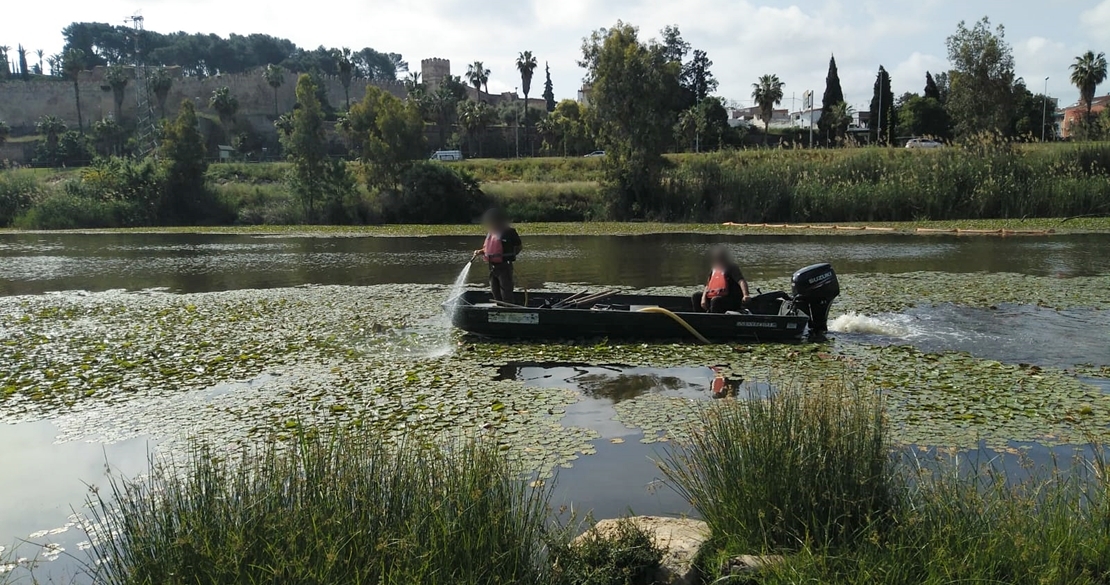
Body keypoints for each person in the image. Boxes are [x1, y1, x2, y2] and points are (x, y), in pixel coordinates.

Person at [473, 208, 522, 303]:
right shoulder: (491, 232)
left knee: (506, 293)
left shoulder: (509, 232)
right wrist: (480, 251)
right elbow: (488, 249)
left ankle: (509, 312)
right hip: (492, 267)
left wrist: (509, 257)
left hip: (504, 266)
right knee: (495, 292)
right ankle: (499, 311)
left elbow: (519, 247)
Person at [691, 246, 750, 313]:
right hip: (716, 296)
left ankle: (714, 320)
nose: (719, 259)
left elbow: (741, 281)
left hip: (732, 300)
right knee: (696, 296)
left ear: (725, 257)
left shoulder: (732, 267)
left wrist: (746, 295)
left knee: (715, 300)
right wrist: (703, 299)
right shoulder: (714, 269)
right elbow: (708, 285)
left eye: (721, 257)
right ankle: (700, 318)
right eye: (717, 257)